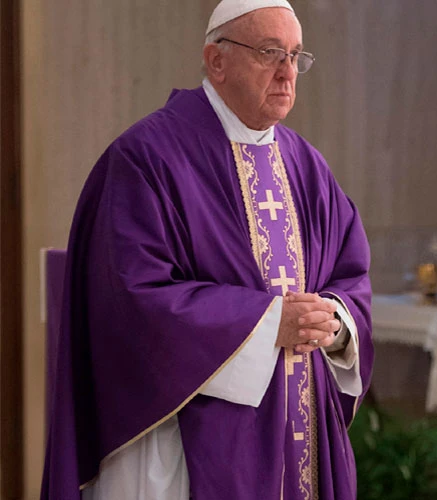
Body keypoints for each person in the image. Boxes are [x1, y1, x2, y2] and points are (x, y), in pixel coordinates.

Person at [40, 1, 373, 498]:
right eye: (269, 53)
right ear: (216, 61)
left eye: (296, 56)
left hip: (298, 427)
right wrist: (266, 325)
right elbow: (131, 299)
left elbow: (351, 278)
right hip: (181, 442)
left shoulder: (307, 168)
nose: (287, 73)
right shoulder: (147, 158)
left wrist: (334, 321)